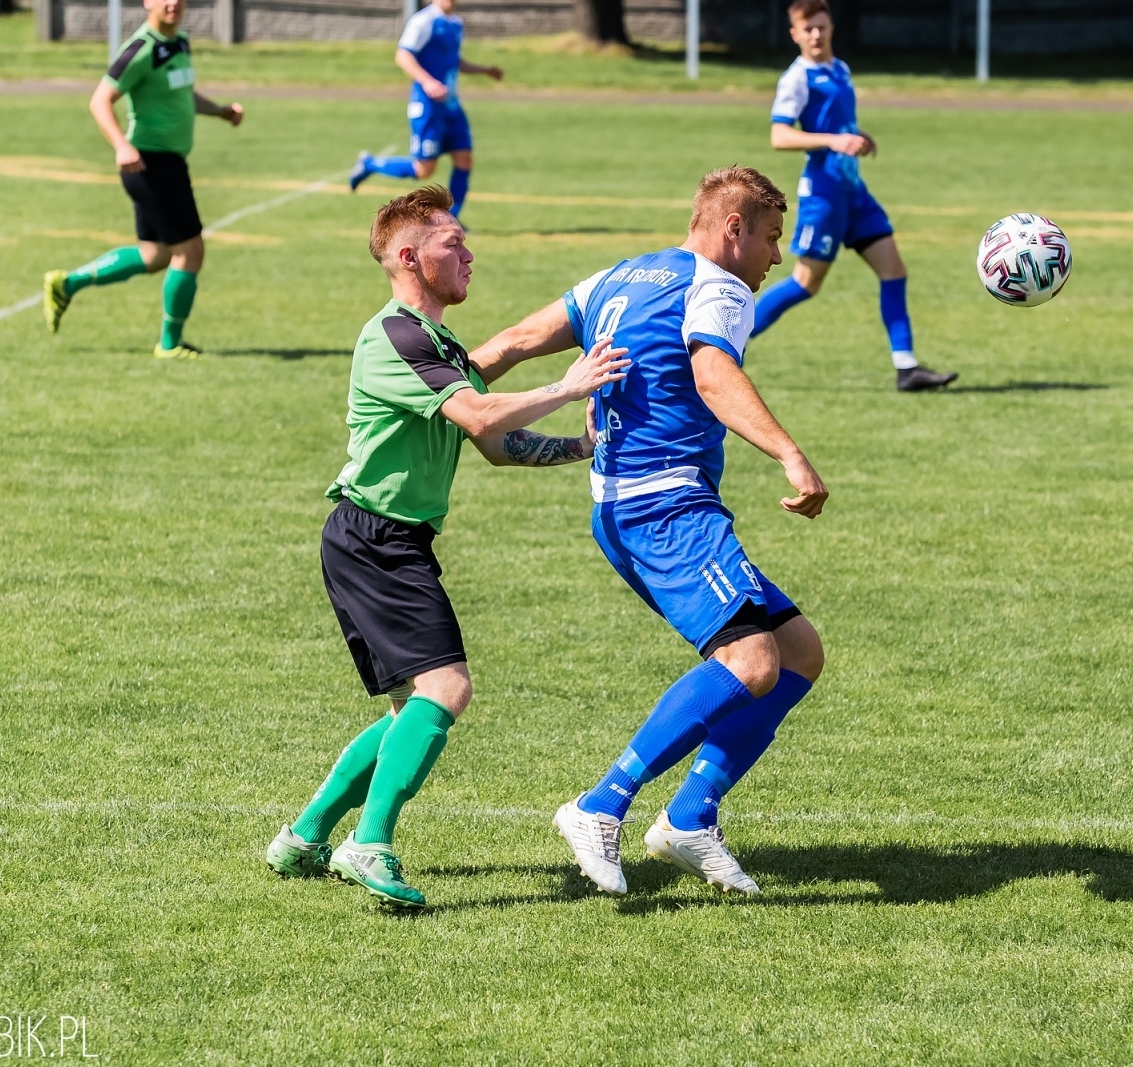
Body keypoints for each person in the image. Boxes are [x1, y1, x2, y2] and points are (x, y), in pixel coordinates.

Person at [264, 186, 627, 910]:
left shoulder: (436, 344)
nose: (469, 254)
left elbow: (495, 445)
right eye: (452, 242)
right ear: (408, 256)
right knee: (446, 689)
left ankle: (303, 837)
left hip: (385, 538)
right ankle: (369, 843)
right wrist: (570, 382)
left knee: (413, 708)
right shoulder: (396, 335)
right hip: (376, 538)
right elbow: (480, 409)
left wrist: (582, 445)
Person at [469, 166, 827, 897]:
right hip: (666, 507)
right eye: (769, 237)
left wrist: (431, 391)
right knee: (753, 659)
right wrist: (790, 453)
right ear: (733, 228)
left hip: (622, 506)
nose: (776, 258)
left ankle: (691, 817)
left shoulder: (620, 276)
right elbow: (712, 375)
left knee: (798, 654)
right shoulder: (720, 289)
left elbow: (514, 340)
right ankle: (601, 804)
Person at [751, 0, 956, 392]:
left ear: (831, 27)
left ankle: (907, 368)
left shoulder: (840, 69)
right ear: (794, 33)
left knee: (894, 270)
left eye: (821, 27)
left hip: (853, 192)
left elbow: (840, 124)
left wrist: (858, 138)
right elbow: (779, 135)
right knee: (805, 283)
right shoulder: (797, 78)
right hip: (823, 194)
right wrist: (834, 140)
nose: (815, 35)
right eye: (807, 29)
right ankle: (723, 345)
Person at [41, 0, 243, 360]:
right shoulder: (141, 48)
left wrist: (219, 111)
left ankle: (66, 283)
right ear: (147, 2)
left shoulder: (178, 43)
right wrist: (121, 145)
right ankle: (169, 344)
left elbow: (180, 93)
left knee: (155, 255)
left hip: (166, 164)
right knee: (191, 250)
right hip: (150, 165)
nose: (172, 3)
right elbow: (100, 100)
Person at [347, 0, 503, 221]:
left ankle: (453, 220)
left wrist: (485, 71)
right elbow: (403, 56)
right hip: (427, 106)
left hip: (451, 106)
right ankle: (369, 164)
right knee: (424, 170)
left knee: (464, 159)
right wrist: (428, 82)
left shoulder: (456, 23)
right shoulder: (423, 21)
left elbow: (454, 61)